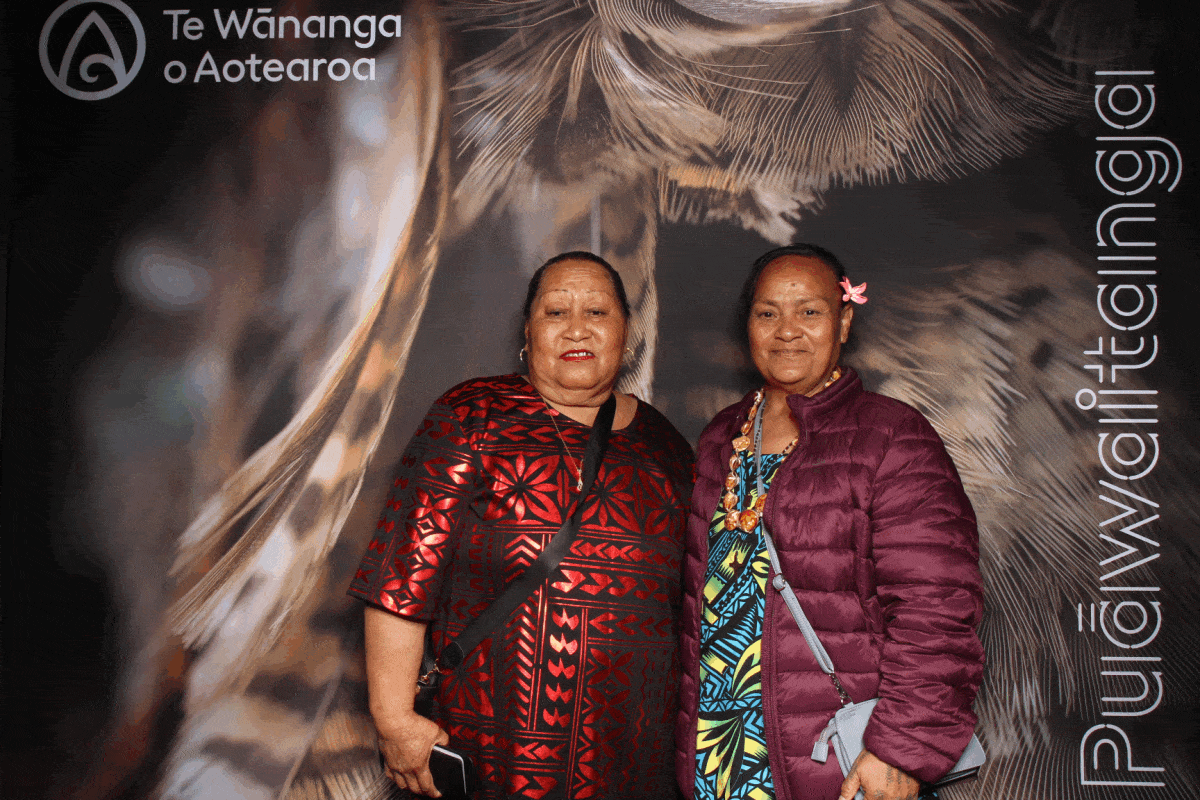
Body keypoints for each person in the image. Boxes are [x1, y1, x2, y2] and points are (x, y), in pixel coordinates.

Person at [349, 252, 695, 800]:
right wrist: (393, 718)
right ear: (528, 333)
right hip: (495, 753)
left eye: (597, 312)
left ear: (626, 332)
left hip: (637, 759)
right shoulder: (472, 416)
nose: (577, 327)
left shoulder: (666, 445)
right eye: (556, 311)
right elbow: (402, 574)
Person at [676, 244, 984, 800]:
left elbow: (937, 610)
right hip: (717, 759)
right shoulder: (721, 436)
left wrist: (900, 750)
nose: (787, 331)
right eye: (767, 312)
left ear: (843, 321)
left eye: (810, 311)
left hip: (839, 767)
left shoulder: (892, 437)